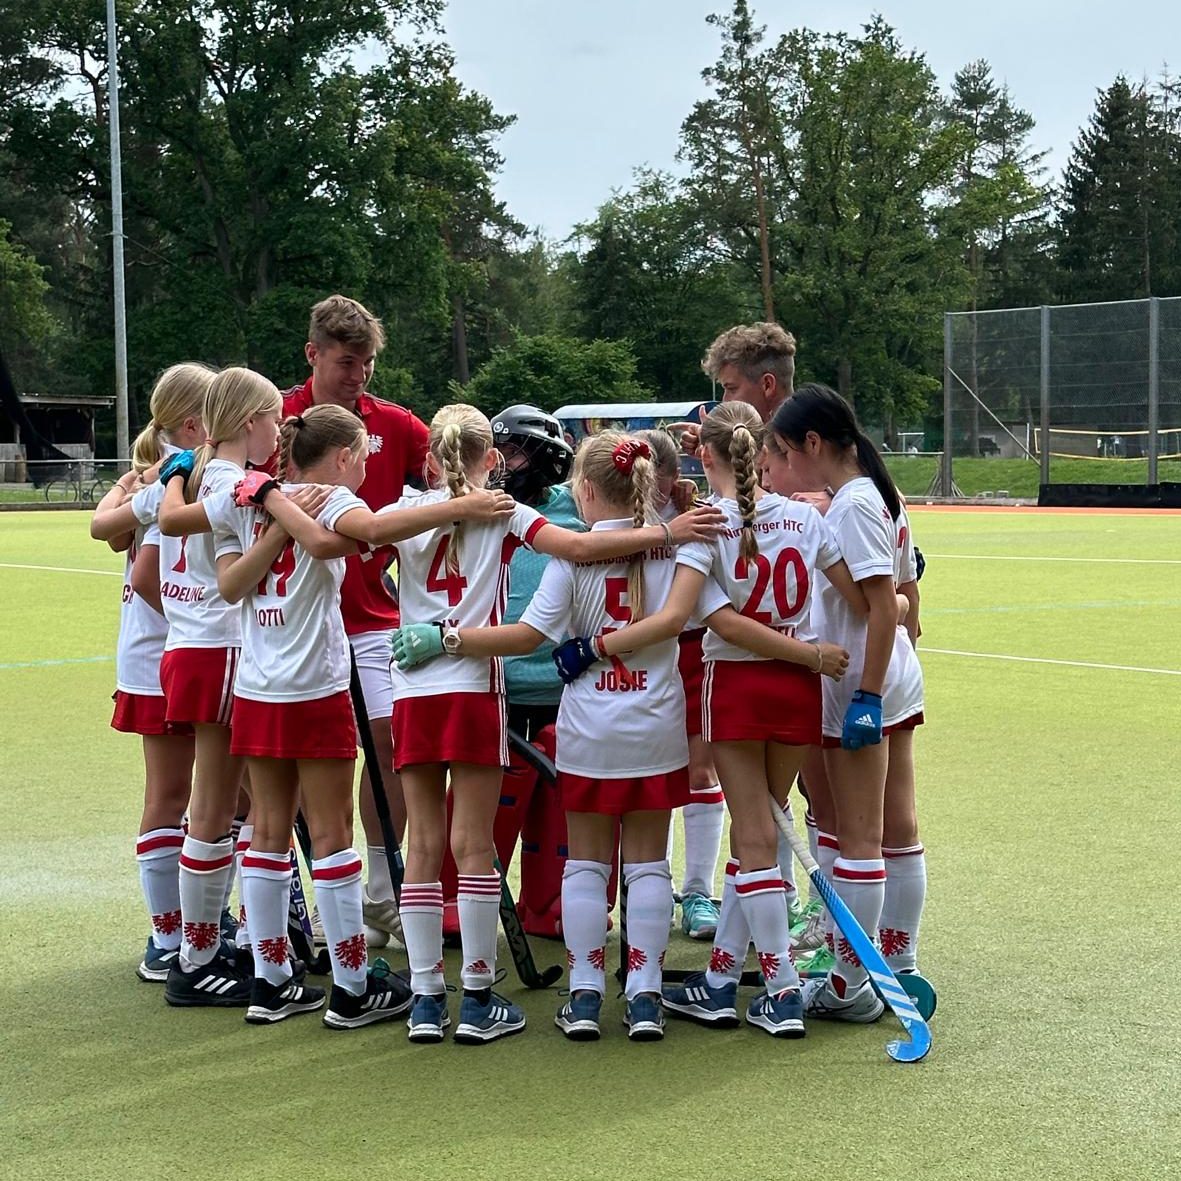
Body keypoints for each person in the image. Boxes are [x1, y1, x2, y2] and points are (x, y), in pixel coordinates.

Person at [385, 407, 724, 1045]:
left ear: (586, 489)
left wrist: (445, 637)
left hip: (575, 722)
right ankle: (644, 996)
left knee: (575, 863)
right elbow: (697, 615)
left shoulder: (407, 509)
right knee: (647, 864)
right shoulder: (682, 545)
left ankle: (573, 992)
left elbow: (527, 635)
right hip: (652, 719)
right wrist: (672, 526)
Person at [212, 404, 517, 1026]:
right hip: (313, 685)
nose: (366, 474)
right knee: (330, 834)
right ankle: (352, 986)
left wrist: (270, 501)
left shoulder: (238, 499)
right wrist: (461, 505)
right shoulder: (330, 499)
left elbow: (230, 584)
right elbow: (366, 532)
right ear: (346, 457)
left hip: (256, 686)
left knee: (267, 831)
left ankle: (271, 982)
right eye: (364, 461)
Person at [577, 404, 859, 1037]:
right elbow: (852, 588)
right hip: (797, 691)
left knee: (754, 836)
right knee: (758, 832)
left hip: (738, 686)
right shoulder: (805, 518)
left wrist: (810, 654)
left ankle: (781, 990)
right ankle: (723, 977)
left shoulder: (706, 526)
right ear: (763, 449)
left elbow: (723, 624)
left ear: (703, 454)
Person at [765, 384, 926, 1021]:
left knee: (859, 837)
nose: (783, 465)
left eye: (785, 452)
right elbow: (901, 599)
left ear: (813, 443)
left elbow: (881, 607)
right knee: (895, 829)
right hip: (887, 675)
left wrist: (865, 695)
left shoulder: (853, 503)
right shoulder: (873, 491)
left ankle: (850, 985)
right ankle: (898, 965)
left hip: (861, 678)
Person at [284, 294, 428, 948]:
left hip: (372, 617)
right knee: (304, 762)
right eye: (346, 362)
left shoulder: (395, 424)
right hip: (290, 622)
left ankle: (380, 893)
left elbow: (446, 474)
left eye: (367, 363)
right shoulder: (277, 418)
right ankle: (317, 901)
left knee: (389, 747)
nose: (359, 375)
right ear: (312, 354)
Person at [140, 367, 283, 1006]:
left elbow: (132, 518)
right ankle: (196, 958)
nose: (279, 431)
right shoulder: (227, 478)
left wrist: (167, 476)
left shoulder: (191, 470)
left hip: (190, 645)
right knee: (217, 806)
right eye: (274, 419)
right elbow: (172, 524)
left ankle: (227, 941)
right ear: (250, 422)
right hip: (219, 648)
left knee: (229, 804)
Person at [88, 363, 212, 982]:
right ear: (192, 423)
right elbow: (143, 573)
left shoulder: (155, 471)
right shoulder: (179, 475)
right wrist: (200, 620)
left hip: (159, 654)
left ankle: (187, 928)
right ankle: (172, 936)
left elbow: (109, 533)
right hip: (170, 654)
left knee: (192, 795)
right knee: (182, 796)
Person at [633, 428, 725, 941]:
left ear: (674, 477)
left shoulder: (693, 512)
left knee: (700, 769)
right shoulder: (610, 513)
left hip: (689, 648)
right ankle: (653, 884)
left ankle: (697, 891)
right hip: (634, 652)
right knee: (647, 771)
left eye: (661, 480)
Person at [676, 322, 797, 457]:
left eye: (732, 389)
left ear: (767, 385)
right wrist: (717, 451)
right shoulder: (800, 443)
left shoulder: (798, 449)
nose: (725, 400)